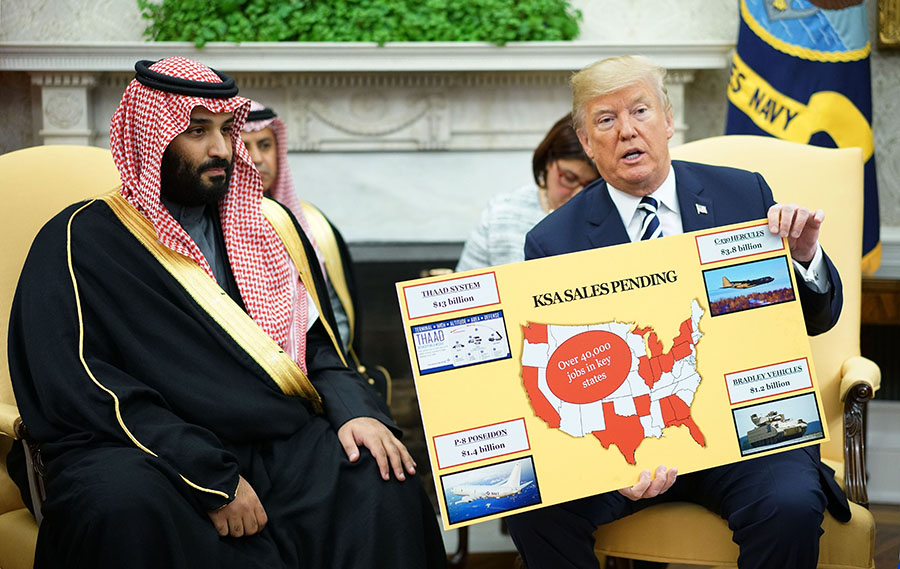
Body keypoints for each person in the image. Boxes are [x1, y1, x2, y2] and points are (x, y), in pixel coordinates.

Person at [6, 57, 445, 569]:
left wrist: (358, 413)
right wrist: (207, 475)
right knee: (120, 505)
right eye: (197, 131)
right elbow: (86, 389)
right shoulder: (81, 239)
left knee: (381, 476)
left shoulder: (263, 228)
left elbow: (318, 348)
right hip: (147, 451)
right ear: (151, 136)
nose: (222, 150)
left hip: (273, 438)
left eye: (225, 129)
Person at [505, 55, 851, 569]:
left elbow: (817, 318)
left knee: (790, 505)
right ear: (585, 141)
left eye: (640, 111)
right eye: (606, 120)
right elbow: (557, 381)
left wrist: (802, 258)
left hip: (742, 434)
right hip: (627, 448)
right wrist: (602, 462)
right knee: (532, 514)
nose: (627, 132)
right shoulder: (555, 241)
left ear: (668, 121)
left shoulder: (744, 194)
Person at [241, 101, 390, 403]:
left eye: (265, 145)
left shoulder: (312, 225)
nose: (257, 159)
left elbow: (337, 323)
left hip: (321, 377)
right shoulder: (210, 229)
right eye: (245, 146)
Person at [455, 113, 599, 272]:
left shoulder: (608, 217)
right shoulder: (499, 215)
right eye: (569, 179)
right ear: (548, 162)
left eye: (591, 185)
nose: (577, 194)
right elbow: (467, 290)